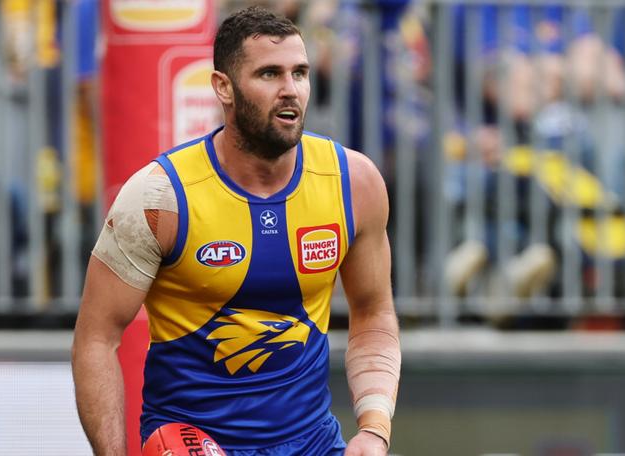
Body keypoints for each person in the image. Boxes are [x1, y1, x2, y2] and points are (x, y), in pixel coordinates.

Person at [72, 6, 400, 456]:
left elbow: (374, 315)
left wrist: (374, 428)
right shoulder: (159, 197)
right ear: (223, 88)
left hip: (315, 445)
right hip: (193, 445)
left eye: (300, 73)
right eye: (269, 74)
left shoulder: (355, 183)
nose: (290, 90)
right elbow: (96, 338)